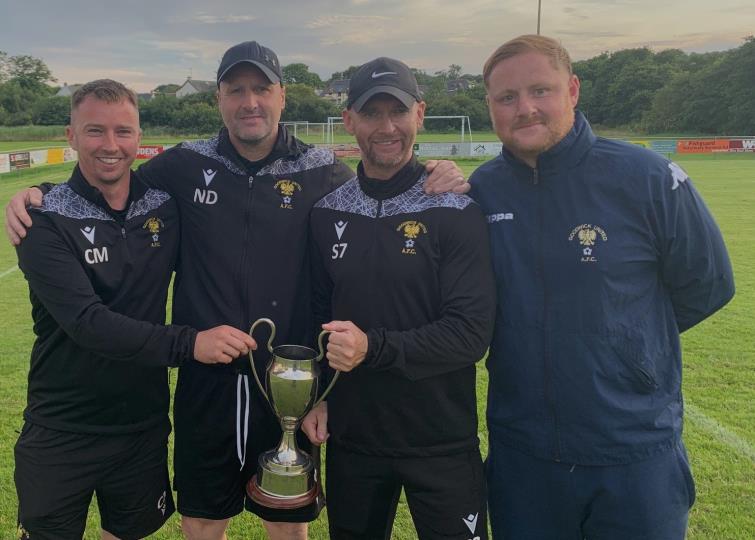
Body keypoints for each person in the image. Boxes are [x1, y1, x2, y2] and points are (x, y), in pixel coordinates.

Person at [4, 41, 467, 540]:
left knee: (287, 523)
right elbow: (112, 182)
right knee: (203, 520)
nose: (250, 102)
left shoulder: (323, 171)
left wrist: (436, 174)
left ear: (282, 96)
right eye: (236, 90)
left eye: (261, 89)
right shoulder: (181, 167)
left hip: (289, 380)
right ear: (219, 99)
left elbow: (382, 190)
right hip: (206, 381)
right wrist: (41, 194)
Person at [468, 35, 735, 539]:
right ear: (490, 106)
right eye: (507, 97)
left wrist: (622, 340)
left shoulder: (646, 176)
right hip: (524, 455)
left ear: (572, 90)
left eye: (540, 91)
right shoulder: (481, 190)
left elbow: (709, 284)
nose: (525, 108)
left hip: (636, 452)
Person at [13, 79, 254, 540]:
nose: (110, 145)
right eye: (94, 131)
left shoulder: (165, 205)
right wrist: (191, 343)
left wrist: (438, 172)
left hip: (141, 426)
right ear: (71, 135)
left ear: (139, 138)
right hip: (63, 426)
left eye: (123, 132)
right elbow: (88, 324)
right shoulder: (44, 221)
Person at [301, 57, 496, 540]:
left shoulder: (456, 208)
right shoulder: (328, 211)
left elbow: (470, 335)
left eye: (398, 112)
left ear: (420, 115)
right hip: (354, 436)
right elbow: (317, 313)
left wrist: (374, 348)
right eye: (371, 113)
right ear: (349, 121)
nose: (386, 127)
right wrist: (317, 393)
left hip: (440, 439)